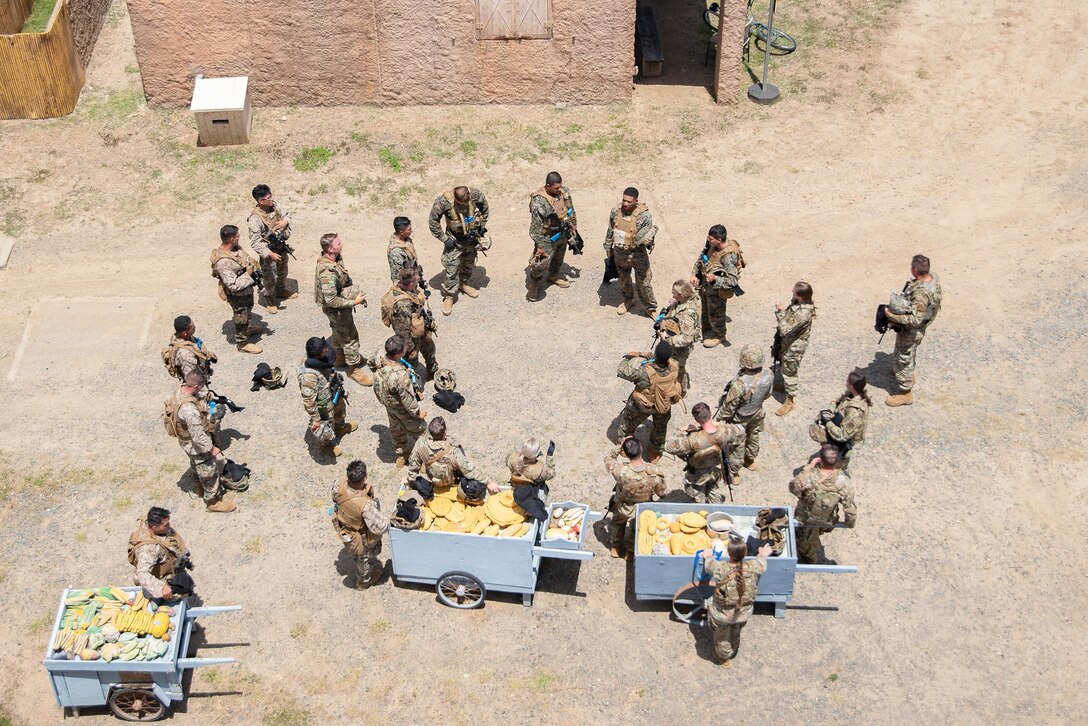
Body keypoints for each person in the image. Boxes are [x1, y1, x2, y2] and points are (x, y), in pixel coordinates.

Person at [163, 371, 236, 512]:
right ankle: (213, 502)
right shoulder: (189, 410)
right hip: (196, 445)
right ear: (195, 386)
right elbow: (198, 436)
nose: (204, 387)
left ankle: (199, 487)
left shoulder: (179, 392)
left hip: (185, 441)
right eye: (202, 385)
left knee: (195, 464)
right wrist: (211, 449)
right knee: (208, 471)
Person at [702, 538, 773, 669]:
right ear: (745, 554)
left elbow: (708, 565)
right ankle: (734, 644)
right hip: (743, 612)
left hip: (722, 614)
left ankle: (724, 657)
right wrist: (762, 554)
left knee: (722, 637)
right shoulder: (753, 566)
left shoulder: (720, 569)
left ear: (728, 553)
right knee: (735, 630)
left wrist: (708, 555)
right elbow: (761, 564)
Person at [314, 232, 372, 386]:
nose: (342, 245)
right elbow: (331, 300)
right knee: (350, 336)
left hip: (339, 307)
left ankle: (339, 357)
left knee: (337, 332)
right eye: (338, 244)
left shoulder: (336, 259)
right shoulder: (327, 272)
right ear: (329, 249)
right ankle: (353, 369)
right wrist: (354, 302)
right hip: (336, 310)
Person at [884, 254, 943, 406]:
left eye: (912, 267)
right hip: (918, 327)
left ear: (915, 270)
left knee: (905, 355)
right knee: (904, 352)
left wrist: (892, 316)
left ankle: (905, 392)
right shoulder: (932, 278)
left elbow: (915, 320)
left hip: (912, 330)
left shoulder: (921, 294)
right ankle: (902, 371)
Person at [663, 403, 745, 504]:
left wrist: (681, 431)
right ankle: (715, 508)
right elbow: (741, 431)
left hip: (697, 474)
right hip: (715, 469)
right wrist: (720, 425)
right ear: (710, 413)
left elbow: (668, 446)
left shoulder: (693, 440)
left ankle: (700, 510)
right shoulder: (726, 432)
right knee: (713, 488)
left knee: (696, 495)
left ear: (697, 420)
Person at [615, 340, 682, 462]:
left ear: (656, 355)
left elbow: (622, 371)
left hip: (643, 406)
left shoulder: (644, 371)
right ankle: (655, 452)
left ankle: (626, 445)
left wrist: (627, 357)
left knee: (627, 423)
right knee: (660, 427)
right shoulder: (675, 366)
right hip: (663, 405)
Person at [714, 344, 774, 481]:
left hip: (739, 418)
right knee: (754, 436)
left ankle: (734, 473)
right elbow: (768, 394)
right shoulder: (769, 374)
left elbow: (728, 408)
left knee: (737, 444)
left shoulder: (739, 384)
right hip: (757, 412)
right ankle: (750, 460)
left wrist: (718, 421)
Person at [789, 444, 857, 564]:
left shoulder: (809, 477)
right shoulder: (843, 481)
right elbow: (850, 508)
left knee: (805, 542)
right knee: (814, 533)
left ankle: (809, 559)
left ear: (819, 459)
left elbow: (793, 488)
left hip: (805, 518)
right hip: (828, 520)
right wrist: (849, 523)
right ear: (836, 461)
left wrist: (809, 467)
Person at [428, 185, 490, 316]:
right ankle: (449, 296)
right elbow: (433, 222)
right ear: (455, 199)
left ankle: (463, 283)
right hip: (454, 238)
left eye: (467, 202)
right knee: (451, 268)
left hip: (471, 236)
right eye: (462, 203)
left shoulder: (475, 194)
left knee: (468, 262)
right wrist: (444, 239)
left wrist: (481, 228)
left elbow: (485, 209)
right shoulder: (443, 202)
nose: (465, 205)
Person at [331, 460, 389, 590]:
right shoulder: (365, 505)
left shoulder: (338, 485)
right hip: (361, 536)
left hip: (346, 528)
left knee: (357, 554)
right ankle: (363, 581)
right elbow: (380, 527)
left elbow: (334, 498)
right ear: (365, 477)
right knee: (365, 558)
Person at [604, 437, 666, 559]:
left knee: (617, 524)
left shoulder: (620, 470)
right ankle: (630, 552)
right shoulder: (654, 472)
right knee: (637, 529)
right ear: (641, 449)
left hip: (622, 507)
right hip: (642, 509)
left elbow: (608, 459)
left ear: (626, 455)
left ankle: (615, 548)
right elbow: (662, 492)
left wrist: (619, 446)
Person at [373, 335, 427, 466]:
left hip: (389, 406)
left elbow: (370, 363)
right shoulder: (400, 376)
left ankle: (401, 455)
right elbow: (407, 399)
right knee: (422, 431)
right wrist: (418, 413)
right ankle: (425, 460)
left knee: (396, 429)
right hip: (401, 407)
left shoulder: (379, 355)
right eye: (404, 347)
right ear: (399, 353)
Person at [298, 337, 357, 458]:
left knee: (340, 411)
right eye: (324, 350)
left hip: (332, 393)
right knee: (325, 426)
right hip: (323, 405)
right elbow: (309, 400)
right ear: (316, 355)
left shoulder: (319, 359)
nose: (327, 350)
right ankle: (325, 444)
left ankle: (340, 428)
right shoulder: (308, 375)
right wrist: (315, 419)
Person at [604, 187, 657, 315]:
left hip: (637, 255)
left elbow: (644, 237)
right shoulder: (615, 212)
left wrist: (647, 240)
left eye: (629, 201)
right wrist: (608, 249)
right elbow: (611, 229)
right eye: (624, 200)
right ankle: (628, 300)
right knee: (623, 279)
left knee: (644, 282)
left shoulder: (644, 216)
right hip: (620, 253)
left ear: (636, 201)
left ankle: (650, 307)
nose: (625, 204)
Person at [210, 224, 262, 354]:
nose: (239, 237)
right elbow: (233, 285)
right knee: (241, 316)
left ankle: (247, 329)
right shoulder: (223, 262)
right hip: (237, 294)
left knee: (248, 310)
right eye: (237, 236)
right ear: (231, 239)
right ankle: (242, 343)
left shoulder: (235, 249)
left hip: (246, 290)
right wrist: (249, 275)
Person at [691, 225, 745, 348]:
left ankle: (720, 335)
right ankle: (707, 328)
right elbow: (702, 257)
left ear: (719, 240)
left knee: (716, 313)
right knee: (706, 309)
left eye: (711, 239)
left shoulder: (728, 257)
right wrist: (694, 274)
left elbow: (732, 281)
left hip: (717, 290)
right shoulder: (712, 245)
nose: (708, 240)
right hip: (706, 285)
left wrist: (716, 279)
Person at [527, 171, 577, 300]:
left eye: (560, 186)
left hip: (563, 232)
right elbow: (535, 227)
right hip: (547, 236)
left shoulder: (564, 192)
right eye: (556, 188)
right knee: (541, 262)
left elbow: (570, 208)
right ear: (548, 186)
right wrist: (541, 246)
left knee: (559, 256)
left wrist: (574, 224)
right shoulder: (539, 201)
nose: (559, 189)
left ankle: (553, 275)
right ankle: (534, 286)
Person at [128, 506, 195, 601]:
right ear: (154, 528)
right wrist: (162, 587)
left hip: (170, 564)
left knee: (186, 582)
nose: (169, 526)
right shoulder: (148, 550)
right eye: (165, 525)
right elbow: (142, 574)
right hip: (159, 577)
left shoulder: (151, 521)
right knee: (181, 590)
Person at [382, 266, 437, 381]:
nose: (418, 283)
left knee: (430, 348)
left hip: (418, 327)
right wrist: (410, 349)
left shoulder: (404, 285)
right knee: (412, 363)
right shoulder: (402, 306)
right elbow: (402, 332)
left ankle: (432, 371)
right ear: (411, 283)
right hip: (410, 337)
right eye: (417, 281)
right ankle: (413, 384)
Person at [247, 184, 296, 313]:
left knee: (282, 271)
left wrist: (286, 222)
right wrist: (269, 254)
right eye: (268, 197)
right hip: (269, 251)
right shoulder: (255, 219)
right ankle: (270, 300)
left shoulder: (275, 206)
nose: (271, 199)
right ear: (261, 201)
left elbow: (287, 215)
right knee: (269, 277)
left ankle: (281, 290)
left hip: (281, 246)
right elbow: (255, 242)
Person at [810, 371, 871, 469]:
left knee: (833, 468)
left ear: (852, 386)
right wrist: (830, 409)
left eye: (847, 381)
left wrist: (828, 422)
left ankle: (837, 467)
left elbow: (842, 435)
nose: (845, 381)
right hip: (840, 426)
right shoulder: (853, 394)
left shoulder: (854, 412)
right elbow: (837, 401)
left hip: (843, 441)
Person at [773, 281, 816, 416]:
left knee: (790, 372)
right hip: (788, 342)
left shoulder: (803, 313)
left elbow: (785, 329)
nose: (792, 291)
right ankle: (785, 386)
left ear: (801, 296)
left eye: (794, 291)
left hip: (794, 347)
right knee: (785, 367)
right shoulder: (798, 303)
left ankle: (790, 401)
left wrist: (780, 313)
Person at [654, 279, 701, 395]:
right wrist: (673, 305)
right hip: (673, 341)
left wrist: (666, 339)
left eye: (674, 293)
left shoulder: (687, 315)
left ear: (681, 295)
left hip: (679, 350)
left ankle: (680, 392)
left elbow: (686, 338)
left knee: (677, 370)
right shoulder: (685, 299)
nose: (672, 295)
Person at [405, 416, 480, 489]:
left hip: (432, 479)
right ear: (445, 432)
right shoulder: (453, 448)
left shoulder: (421, 444)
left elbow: (413, 466)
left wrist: (410, 481)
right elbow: (468, 471)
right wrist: (487, 481)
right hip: (451, 481)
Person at [163, 315, 216, 381]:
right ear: (184, 333)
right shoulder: (186, 355)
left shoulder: (182, 336)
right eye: (193, 328)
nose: (195, 328)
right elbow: (192, 380)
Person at [388, 216, 419, 284]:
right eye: (409, 229)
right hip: (405, 284)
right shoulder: (395, 252)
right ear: (401, 232)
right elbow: (398, 277)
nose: (411, 231)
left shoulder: (406, 239)